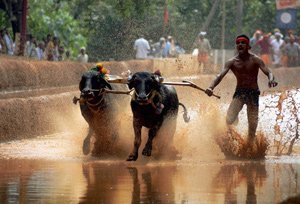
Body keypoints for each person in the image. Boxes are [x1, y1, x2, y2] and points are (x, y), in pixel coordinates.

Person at [205, 34, 278, 144]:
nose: (240, 44)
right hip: (240, 93)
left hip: (253, 94)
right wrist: (210, 87)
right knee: (229, 120)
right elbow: (219, 76)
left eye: (243, 42)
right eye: (238, 43)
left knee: (252, 128)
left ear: (248, 46)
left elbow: (269, 72)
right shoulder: (232, 62)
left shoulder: (256, 60)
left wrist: (271, 79)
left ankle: (249, 148)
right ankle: (232, 142)